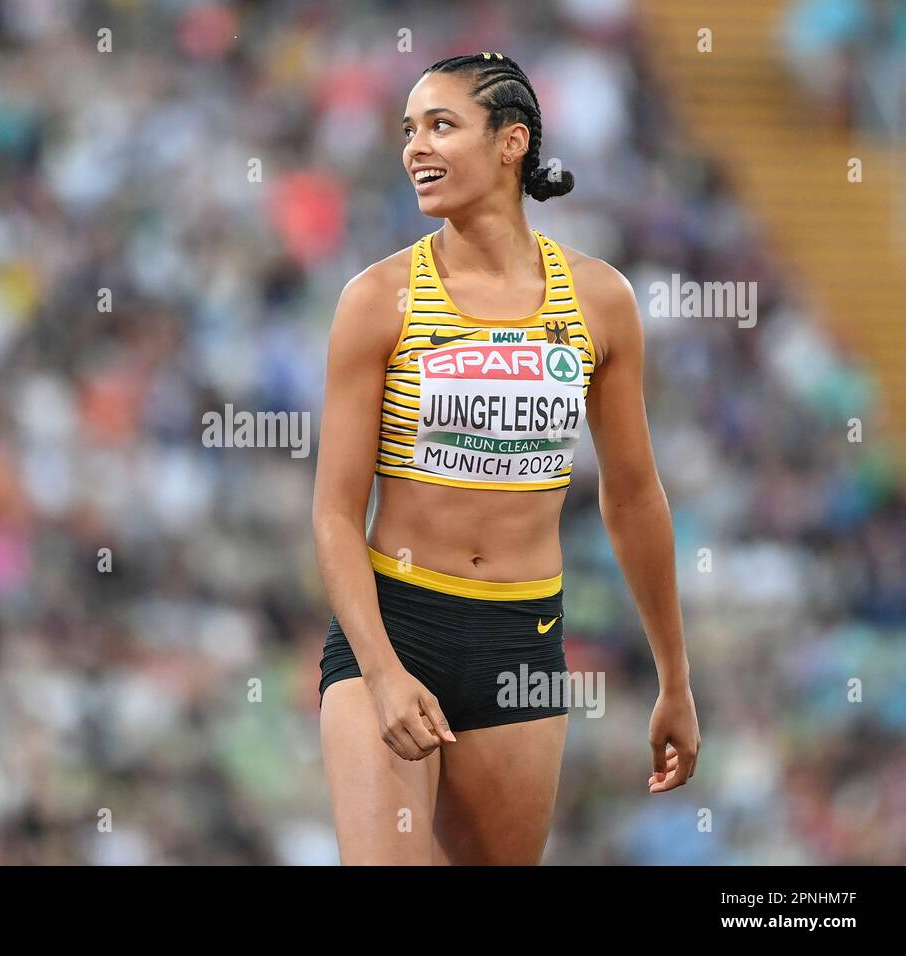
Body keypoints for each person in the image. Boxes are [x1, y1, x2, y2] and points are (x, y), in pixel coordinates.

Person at [312, 52, 700, 865]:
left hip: (521, 643)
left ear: (511, 142)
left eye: (441, 125)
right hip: (396, 624)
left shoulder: (600, 301)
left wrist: (675, 677)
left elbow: (634, 501)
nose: (416, 146)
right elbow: (335, 512)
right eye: (408, 129)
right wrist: (380, 673)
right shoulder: (377, 300)